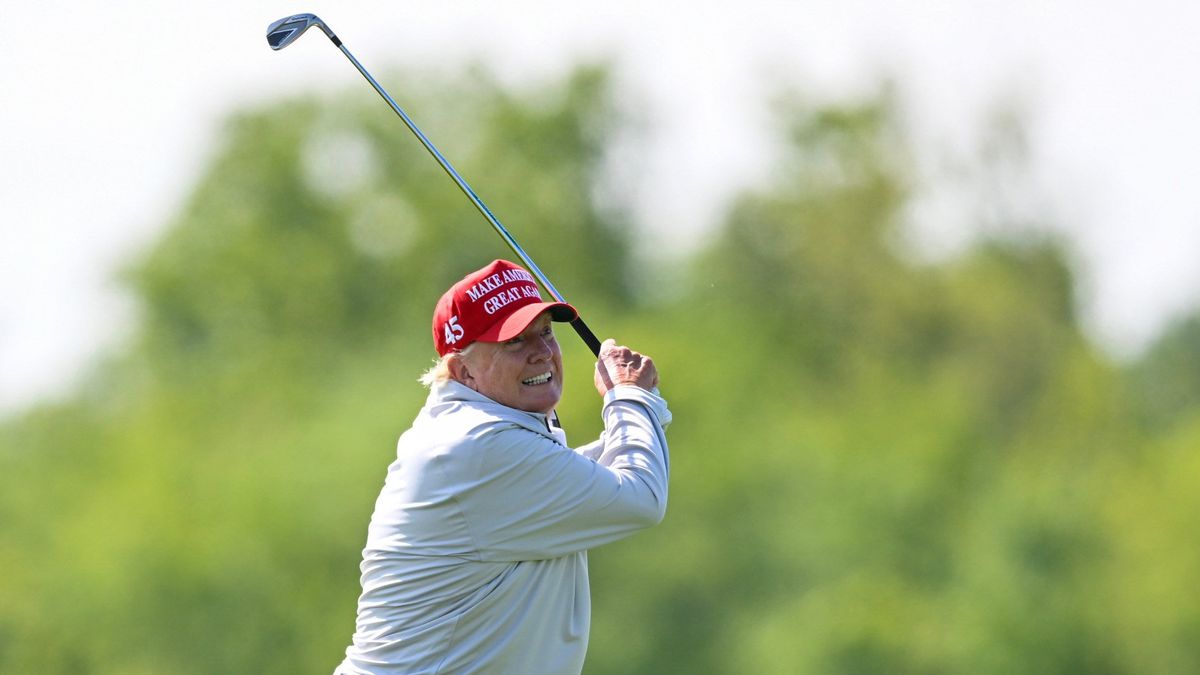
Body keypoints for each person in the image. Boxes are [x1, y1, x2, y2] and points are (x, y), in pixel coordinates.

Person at [335, 259, 672, 675]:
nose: (542, 353)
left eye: (546, 332)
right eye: (514, 341)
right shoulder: (477, 443)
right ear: (463, 371)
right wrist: (629, 400)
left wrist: (638, 409)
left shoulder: (485, 436)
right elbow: (639, 498)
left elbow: (590, 475)